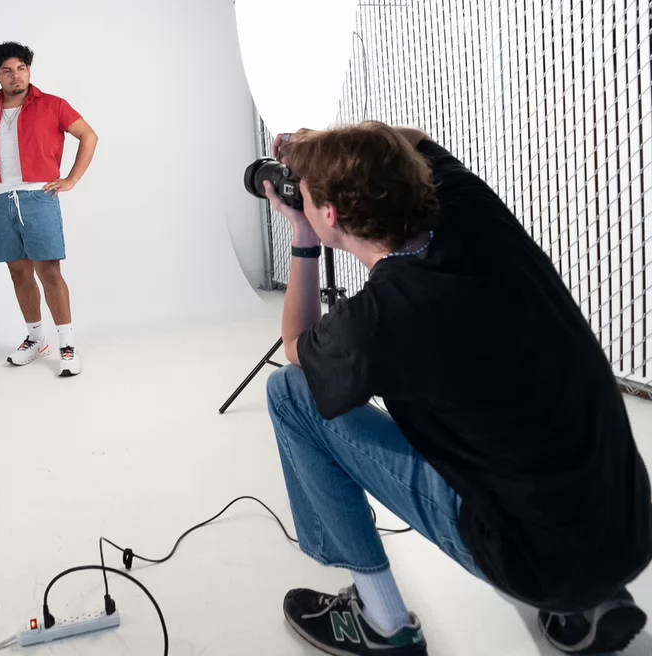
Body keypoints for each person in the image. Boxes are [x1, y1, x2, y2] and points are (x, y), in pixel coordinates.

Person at [263, 122, 651, 656]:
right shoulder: (471, 209)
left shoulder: (376, 320)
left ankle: (383, 622)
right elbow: (415, 137)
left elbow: (295, 342)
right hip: (630, 525)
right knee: (526, 445)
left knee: (290, 394)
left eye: (307, 195)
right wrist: (325, 143)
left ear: (329, 214)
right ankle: (590, 601)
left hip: (534, 562)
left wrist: (303, 243)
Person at [0, 42, 98, 377]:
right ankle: (36, 339)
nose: (17, 76)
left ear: (29, 70)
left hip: (39, 197)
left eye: (22, 68)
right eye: (8, 71)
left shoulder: (53, 105)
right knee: (18, 272)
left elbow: (88, 135)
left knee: (50, 273)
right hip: (3, 200)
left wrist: (71, 179)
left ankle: (66, 344)